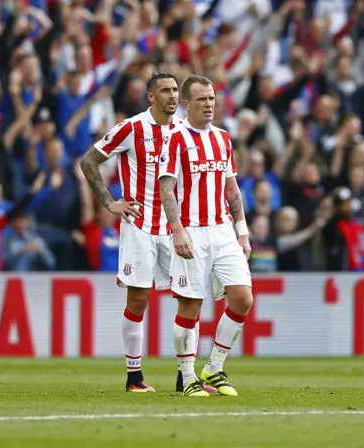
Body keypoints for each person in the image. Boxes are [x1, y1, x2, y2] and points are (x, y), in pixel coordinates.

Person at [79, 72, 195, 393]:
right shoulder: (132, 128)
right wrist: (109, 202)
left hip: (176, 226)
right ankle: (134, 377)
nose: (173, 96)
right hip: (140, 223)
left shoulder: (185, 131)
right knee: (139, 297)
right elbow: (89, 161)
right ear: (151, 97)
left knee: (189, 297)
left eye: (175, 90)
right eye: (166, 91)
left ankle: (186, 375)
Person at [158, 75, 253, 397]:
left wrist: (242, 233)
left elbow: (232, 189)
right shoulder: (175, 138)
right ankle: (186, 376)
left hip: (223, 230)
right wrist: (177, 230)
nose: (209, 104)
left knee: (242, 298)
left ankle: (213, 368)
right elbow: (167, 189)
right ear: (186, 104)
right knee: (190, 306)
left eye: (212, 98)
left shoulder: (223, 139)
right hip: (192, 231)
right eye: (201, 99)